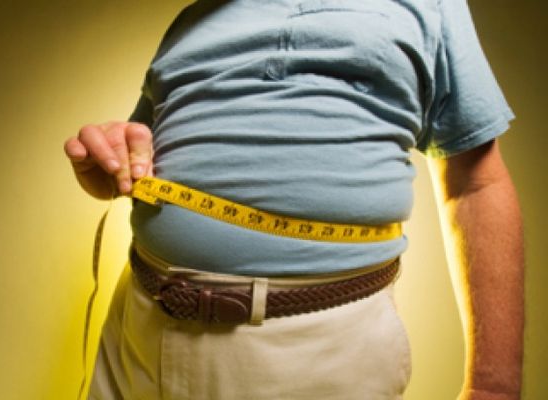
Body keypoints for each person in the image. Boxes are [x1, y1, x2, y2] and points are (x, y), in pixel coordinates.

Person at [64, 0, 524, 399]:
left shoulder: (426, 5)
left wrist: (492, 388)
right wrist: (102, 163)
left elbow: (476, 184)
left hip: (318, 353)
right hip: (135, 333)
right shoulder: (191, 20)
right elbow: (131, 167)